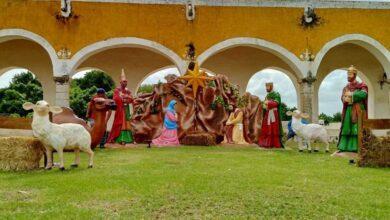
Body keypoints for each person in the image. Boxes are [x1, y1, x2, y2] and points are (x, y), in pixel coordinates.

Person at [337, 65, 368, 152]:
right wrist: (344, 99)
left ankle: (356, 147)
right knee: (346, 126)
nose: (348, 76)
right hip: (348, 109)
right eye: (347, 74)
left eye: (350, 74)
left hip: (357, 110)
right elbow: (343, 96)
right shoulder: (346, 87)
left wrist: (352, 95)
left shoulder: (362, 85)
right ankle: (344, 147)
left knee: (356, 127)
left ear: (354, 74)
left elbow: (364, 94)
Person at [106, 69, 135, 145]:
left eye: (126, 81)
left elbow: (132, 98)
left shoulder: (127, 91)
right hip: (120, 109)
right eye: (124, 81)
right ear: (120, 82)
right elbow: (115, 99)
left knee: (127, 123)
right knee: (120, 123)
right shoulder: (117, 90)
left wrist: (126, 97)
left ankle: (129, 138)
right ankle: (120, 138)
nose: (125, 83)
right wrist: (123, 98)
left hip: (126, 109)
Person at [258, 82, 283, 148]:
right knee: (266, 127)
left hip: (273, 113)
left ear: (271, 87)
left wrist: (267, 103)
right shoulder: (267, 96)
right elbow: (264, 104)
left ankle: (274, 143)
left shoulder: (276, 94)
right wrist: (264, 105)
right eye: (266, 87)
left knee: (273, 128)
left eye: (267, 87)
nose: (266, 88)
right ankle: (266, 143)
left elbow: (276, 103)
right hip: (268, 113)